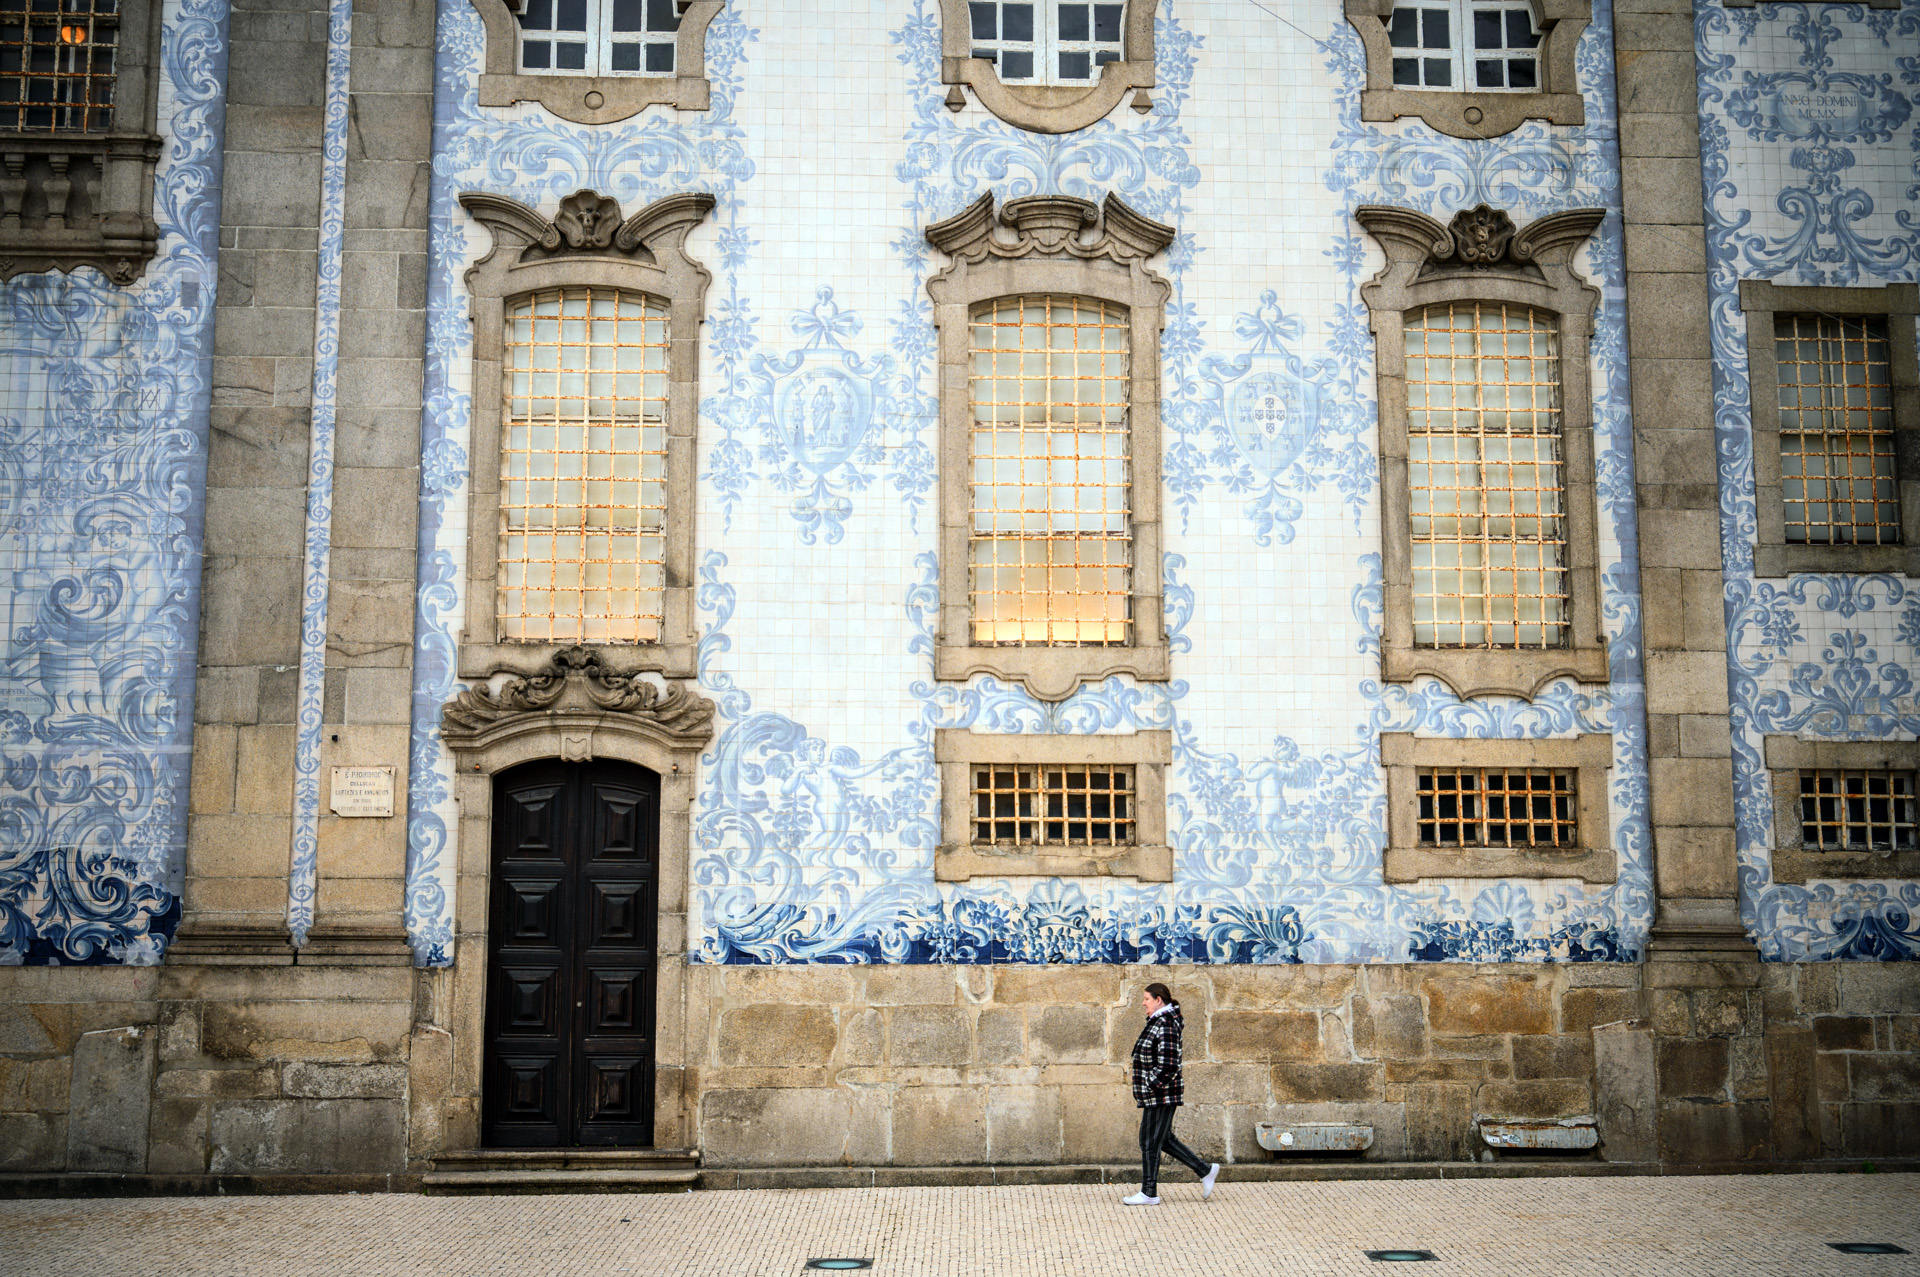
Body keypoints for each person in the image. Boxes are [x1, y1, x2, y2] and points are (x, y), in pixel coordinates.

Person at [1123, 981, 1219, 1206]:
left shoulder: (1165, 1023)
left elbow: (1169, 1065)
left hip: (1160, 1094)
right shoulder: (1159, 1021)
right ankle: (1205, 1170)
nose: (1143, 1003)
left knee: (1149, 1141)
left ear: (1159, 1000)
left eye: (1146, 999)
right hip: (1158, 1094)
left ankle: (1149, 1193)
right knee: (1162, 1139)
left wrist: (1149, 1086)